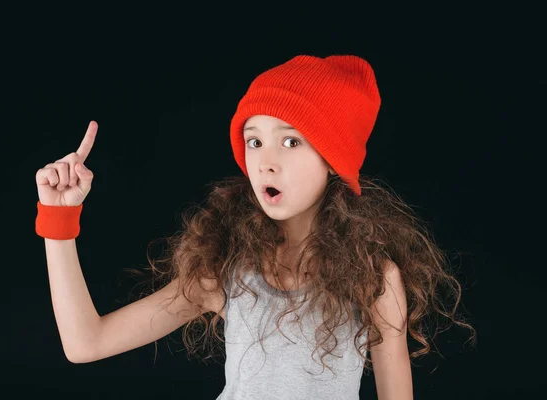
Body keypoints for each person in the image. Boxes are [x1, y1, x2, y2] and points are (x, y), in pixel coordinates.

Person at [35, 54, 476, 400]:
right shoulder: (228, 271)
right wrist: (58, 215)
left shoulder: (375, 281)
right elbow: (85, 344)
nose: (265, 160)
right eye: (254, 140)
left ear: (334, 158)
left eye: (291, 140)